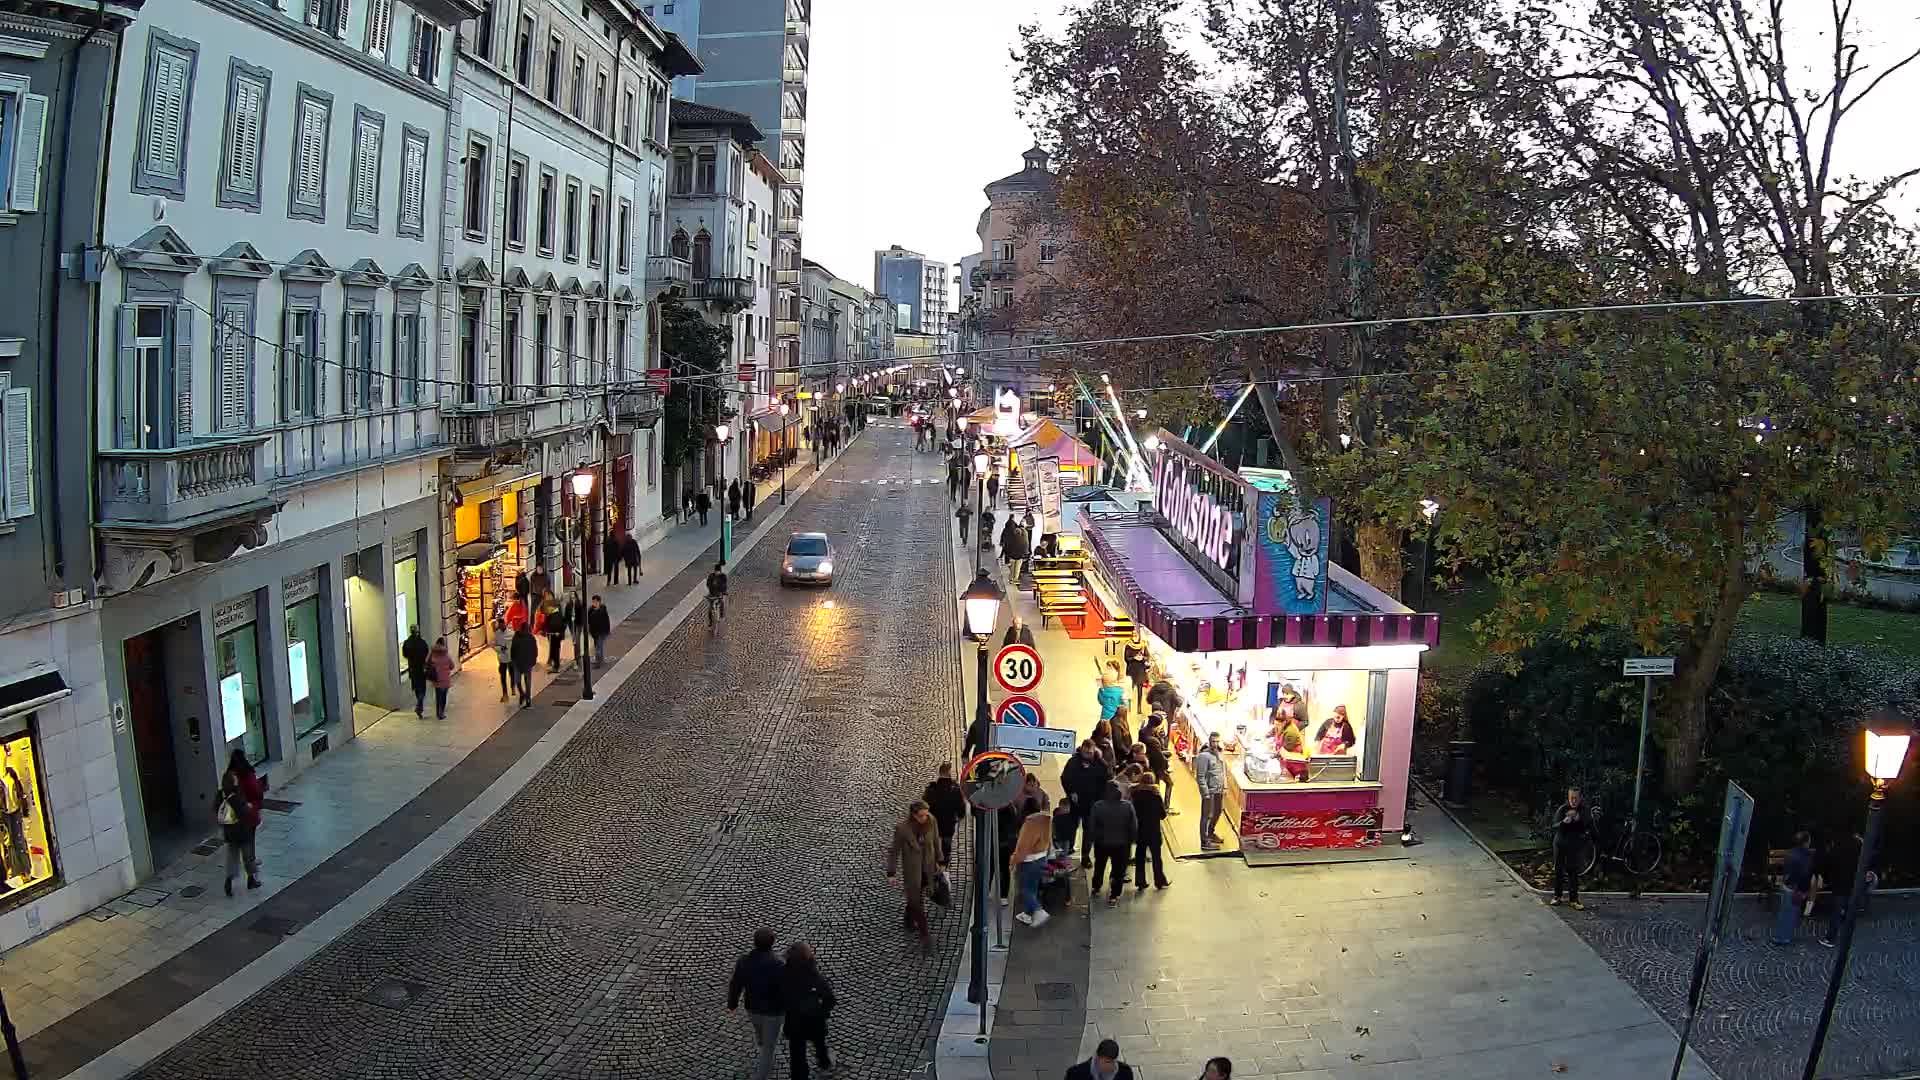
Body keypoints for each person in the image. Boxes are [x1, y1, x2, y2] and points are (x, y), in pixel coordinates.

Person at [727, 928, 786, 1080]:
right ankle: (760, 1076)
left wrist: (732, 1003)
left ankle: (762, 1047)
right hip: (774, 1012)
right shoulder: (779, 964)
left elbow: (736, 984)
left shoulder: (743, 961)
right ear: (772, 943)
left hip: (752, 1008)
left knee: (760, 1034)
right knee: (769, 1047)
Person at [886, 800, 942, 943]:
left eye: (926, 814)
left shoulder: (932, 821)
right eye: (921, 816)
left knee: (915, 900)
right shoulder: (902, 829)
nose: (925, 818)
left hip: (928, 869)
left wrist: (940, 860)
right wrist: (891, 873)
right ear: (914, 815)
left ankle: (908, 920)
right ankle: (925, 934)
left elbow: (936, 840)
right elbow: (894, 851)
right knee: (916, 901)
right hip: (913, 871)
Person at [780, 942, 835, 1080]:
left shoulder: (783, 976)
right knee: (820, 1044)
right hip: (815, 1021)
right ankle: (824, 1065)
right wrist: (823, 1012)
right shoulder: (815, 978)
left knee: (797, 1054)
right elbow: (829, 999)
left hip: (794, 1022)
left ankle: (799, 1076)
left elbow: (778, 997)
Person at [217, 749, 265, 895]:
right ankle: (251, 879)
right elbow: (256, 793)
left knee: (232, 853)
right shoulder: (245, 777)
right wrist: (250, 806)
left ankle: (229, 879)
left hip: (230, 827)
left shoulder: (227, 778)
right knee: (248, 852)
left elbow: (218, 802)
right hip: (244, 824)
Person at [1820, 827, 1875, 948]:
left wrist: (1827, 879)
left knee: (1837, 911)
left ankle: (1831, 938)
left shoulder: (1836, 846)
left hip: (1840, 884)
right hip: (1854, 883)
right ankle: (1846, 936)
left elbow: (1828, 865)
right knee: (1848, 911)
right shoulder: (1859, 845)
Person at [1087, 782, 1137, 905]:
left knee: (1099, 866)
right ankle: (1114, 895)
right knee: (1119, 870)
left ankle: (1096, 887)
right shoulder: (1127, 806)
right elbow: (1133, 825)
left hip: (1102, 843)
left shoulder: (1098, 806)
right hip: (1122, 844)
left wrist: (1092, 838)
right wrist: (1132, 839)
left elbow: (1091, 825)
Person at [1061, 741, 1112, 862]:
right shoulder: (1073, 762)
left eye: (1089, 753)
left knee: (1089, 831)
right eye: (1085, 752)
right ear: (1081, 750)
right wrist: (1071, 792)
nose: (1087, 755)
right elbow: (1065, 778)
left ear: (1094, 751)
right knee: (1071, 826)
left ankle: (1085, 856)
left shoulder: (1101, 765)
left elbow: (1106, 783)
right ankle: (1069, 848)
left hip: (1092, 803)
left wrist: (1101, 800)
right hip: (1075, 802)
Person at [1550, 787, 1592, 911]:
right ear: (1568, 798)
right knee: (1558, 870)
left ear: (1580, 798)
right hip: (1560, 844)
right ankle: (1557, 896)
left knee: (1573, 872)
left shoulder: (1584, 810)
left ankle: (1574, 900)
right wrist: (1563, 822)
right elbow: (1554, 826)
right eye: (1571, 798)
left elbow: (1587, 827)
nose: (1573, 800)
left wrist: (1579, 820)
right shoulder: (1563, 809)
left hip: (1574, 845)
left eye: (1576, 798)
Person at [1772, 830, 1817, 945]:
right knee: (1792, 913)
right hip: (1797, 887)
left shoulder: (1790, 853)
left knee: (1784, 912)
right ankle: (1785, 937)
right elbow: (1805, 874)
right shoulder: (1806, 856)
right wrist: (1803, 891)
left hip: (1787, 885)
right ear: (1806, 842)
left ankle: (1778, 936)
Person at [1010, 812, 1054, 928]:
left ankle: (1038, 910)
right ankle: (1028, 914)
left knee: (1024, 889)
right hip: (1041, 859)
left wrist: (1013, 861)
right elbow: (1049, 844)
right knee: (1032, 887)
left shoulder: (1030, 825)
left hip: (1028, 862)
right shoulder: (1046, 824)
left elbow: (1022, 848)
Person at [1131, 774, 1171, 891]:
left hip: (1140, 830)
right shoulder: (1156, 796)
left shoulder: (1135, 795)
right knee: (1156, 857)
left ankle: (1140, 881)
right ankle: (1159, 881)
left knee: (1140, 856)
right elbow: (1163, 815)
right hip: (1154, 830)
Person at [922, 763, 967, 868]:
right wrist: (960, 816)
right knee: (946, 847)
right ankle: (943, 866)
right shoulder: (955, 789)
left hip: (934, 824)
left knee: (933, 845)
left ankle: (933, 866)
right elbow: (961, 806)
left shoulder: (932, 788)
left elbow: (924, 805)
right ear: (949, 773)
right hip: (948, 824)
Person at [1194, 732, 1226, 851]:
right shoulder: (1204, 756)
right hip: (1210, 791)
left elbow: (1223, 771)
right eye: (1213, 741)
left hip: (1219, 789)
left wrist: (1225, 786)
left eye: (1217, 741)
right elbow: (1200, 776)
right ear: (1209, 741)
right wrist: (1205, 792)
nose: (1215, 744)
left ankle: (1211, 833)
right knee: (1206, 816)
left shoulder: (1220, 754)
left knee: (1218, 812)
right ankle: (1204, 840)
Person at [1139, 713, 1176, 814]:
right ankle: (1165, 807)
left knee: (1156, 785)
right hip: (1157, 766)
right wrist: (1167, 763)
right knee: (1169, 783)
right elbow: (1159, 756)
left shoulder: (1142, 731)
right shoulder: (1153, 740)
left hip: (1149, 763)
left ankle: (1157, 806)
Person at [1064, 1038, 1135, 1080]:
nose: (1110, 1066)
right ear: (1097, 1058)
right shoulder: (1075, 1074)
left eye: (1113, 1062)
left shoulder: (1125, 1073)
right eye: (1107, 1062)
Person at [402, 626, 429, 717]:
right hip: (421, 668)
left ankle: (419, 703)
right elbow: (426, 651)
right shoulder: (422, 642)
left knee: (416, 688)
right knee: (423, 689)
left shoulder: (407, 643)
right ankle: (419, 704)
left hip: (412, 669)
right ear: (417, 631)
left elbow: (404, 654)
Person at [510, 621, 539, 707]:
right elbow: (513, 649)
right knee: (519, 681)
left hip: (526, 663)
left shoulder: (530, 638)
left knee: (526, 682)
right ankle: (523, 694)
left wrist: (533, 661)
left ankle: (528, 699)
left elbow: (535, 651)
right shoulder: (517, 637)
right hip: (520, 663)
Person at [427, 637, 455, 719]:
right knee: (443, 697)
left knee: (438, 696)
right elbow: (452, 666)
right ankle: (441, 712)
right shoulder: (446, 655)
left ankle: (438, 712)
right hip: (445, 679)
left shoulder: (432, 655)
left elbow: (427, 663)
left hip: (436, 678)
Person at [1123, 632, 1151, 711]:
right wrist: (1134, 658)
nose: (1135, 637)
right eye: (1134, 635)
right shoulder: (1128, 645)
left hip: (1140, 671)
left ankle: (1139, 707)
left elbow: (1147, 656)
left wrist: (1142, 658)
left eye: (1136, 635)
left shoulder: (1143, 645)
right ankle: (1128, 707)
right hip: (1131, 670)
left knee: (1140, 690)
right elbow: (1126, 658)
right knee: (1130, 689)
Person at [1001, 517, 1031, 588]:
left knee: (1012, 567)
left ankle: (1011, 578)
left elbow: (1008, 546)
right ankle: (1015, 579)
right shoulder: (1023, 536)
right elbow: (1026, 545)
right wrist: (1026, 553)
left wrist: (1007, 554)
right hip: (1019, 555)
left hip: (1012, 555)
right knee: (1017, 568)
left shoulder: (1012, 537)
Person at [492, 618, 514, 702]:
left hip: (510, 658)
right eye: (500, 625)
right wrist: (501, 648)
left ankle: (513, 687)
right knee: (503, 677)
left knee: (512, 674)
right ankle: (505, 694)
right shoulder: (497, 634)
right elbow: (493, 645)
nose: (501, 626)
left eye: (502, 624)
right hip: (502, 659)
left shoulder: (511, 633)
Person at [586, 595, 612, 668]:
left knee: (598, 647)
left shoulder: (602, 610)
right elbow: (589, 621)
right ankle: (601, 660)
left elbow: (606, 622)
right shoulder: (591, 609)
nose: (594, 603)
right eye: (593, 601)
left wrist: (607, 631)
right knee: (597, 646)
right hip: (594, 632)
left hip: (601, 632)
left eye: (595, 602)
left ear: (599, 602)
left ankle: (598, 663)